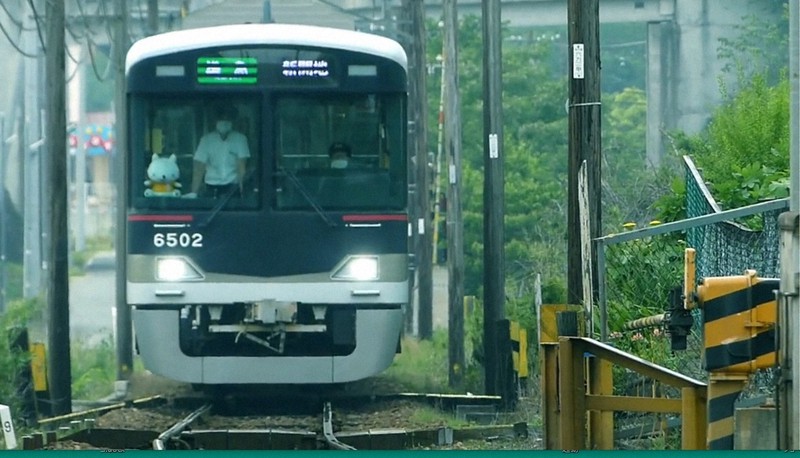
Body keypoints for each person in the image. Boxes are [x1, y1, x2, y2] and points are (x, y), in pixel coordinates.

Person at [186, 105, 250, 198]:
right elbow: (199, 167)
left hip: (233, 187)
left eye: (228, 118)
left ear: (233, 120)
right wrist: (194, 192)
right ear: (215, 120)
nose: (224, 121)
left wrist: (242, 191)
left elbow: (241, 167)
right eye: (221, 118)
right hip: (211, 187)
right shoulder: (206, 140)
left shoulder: (241, 139)